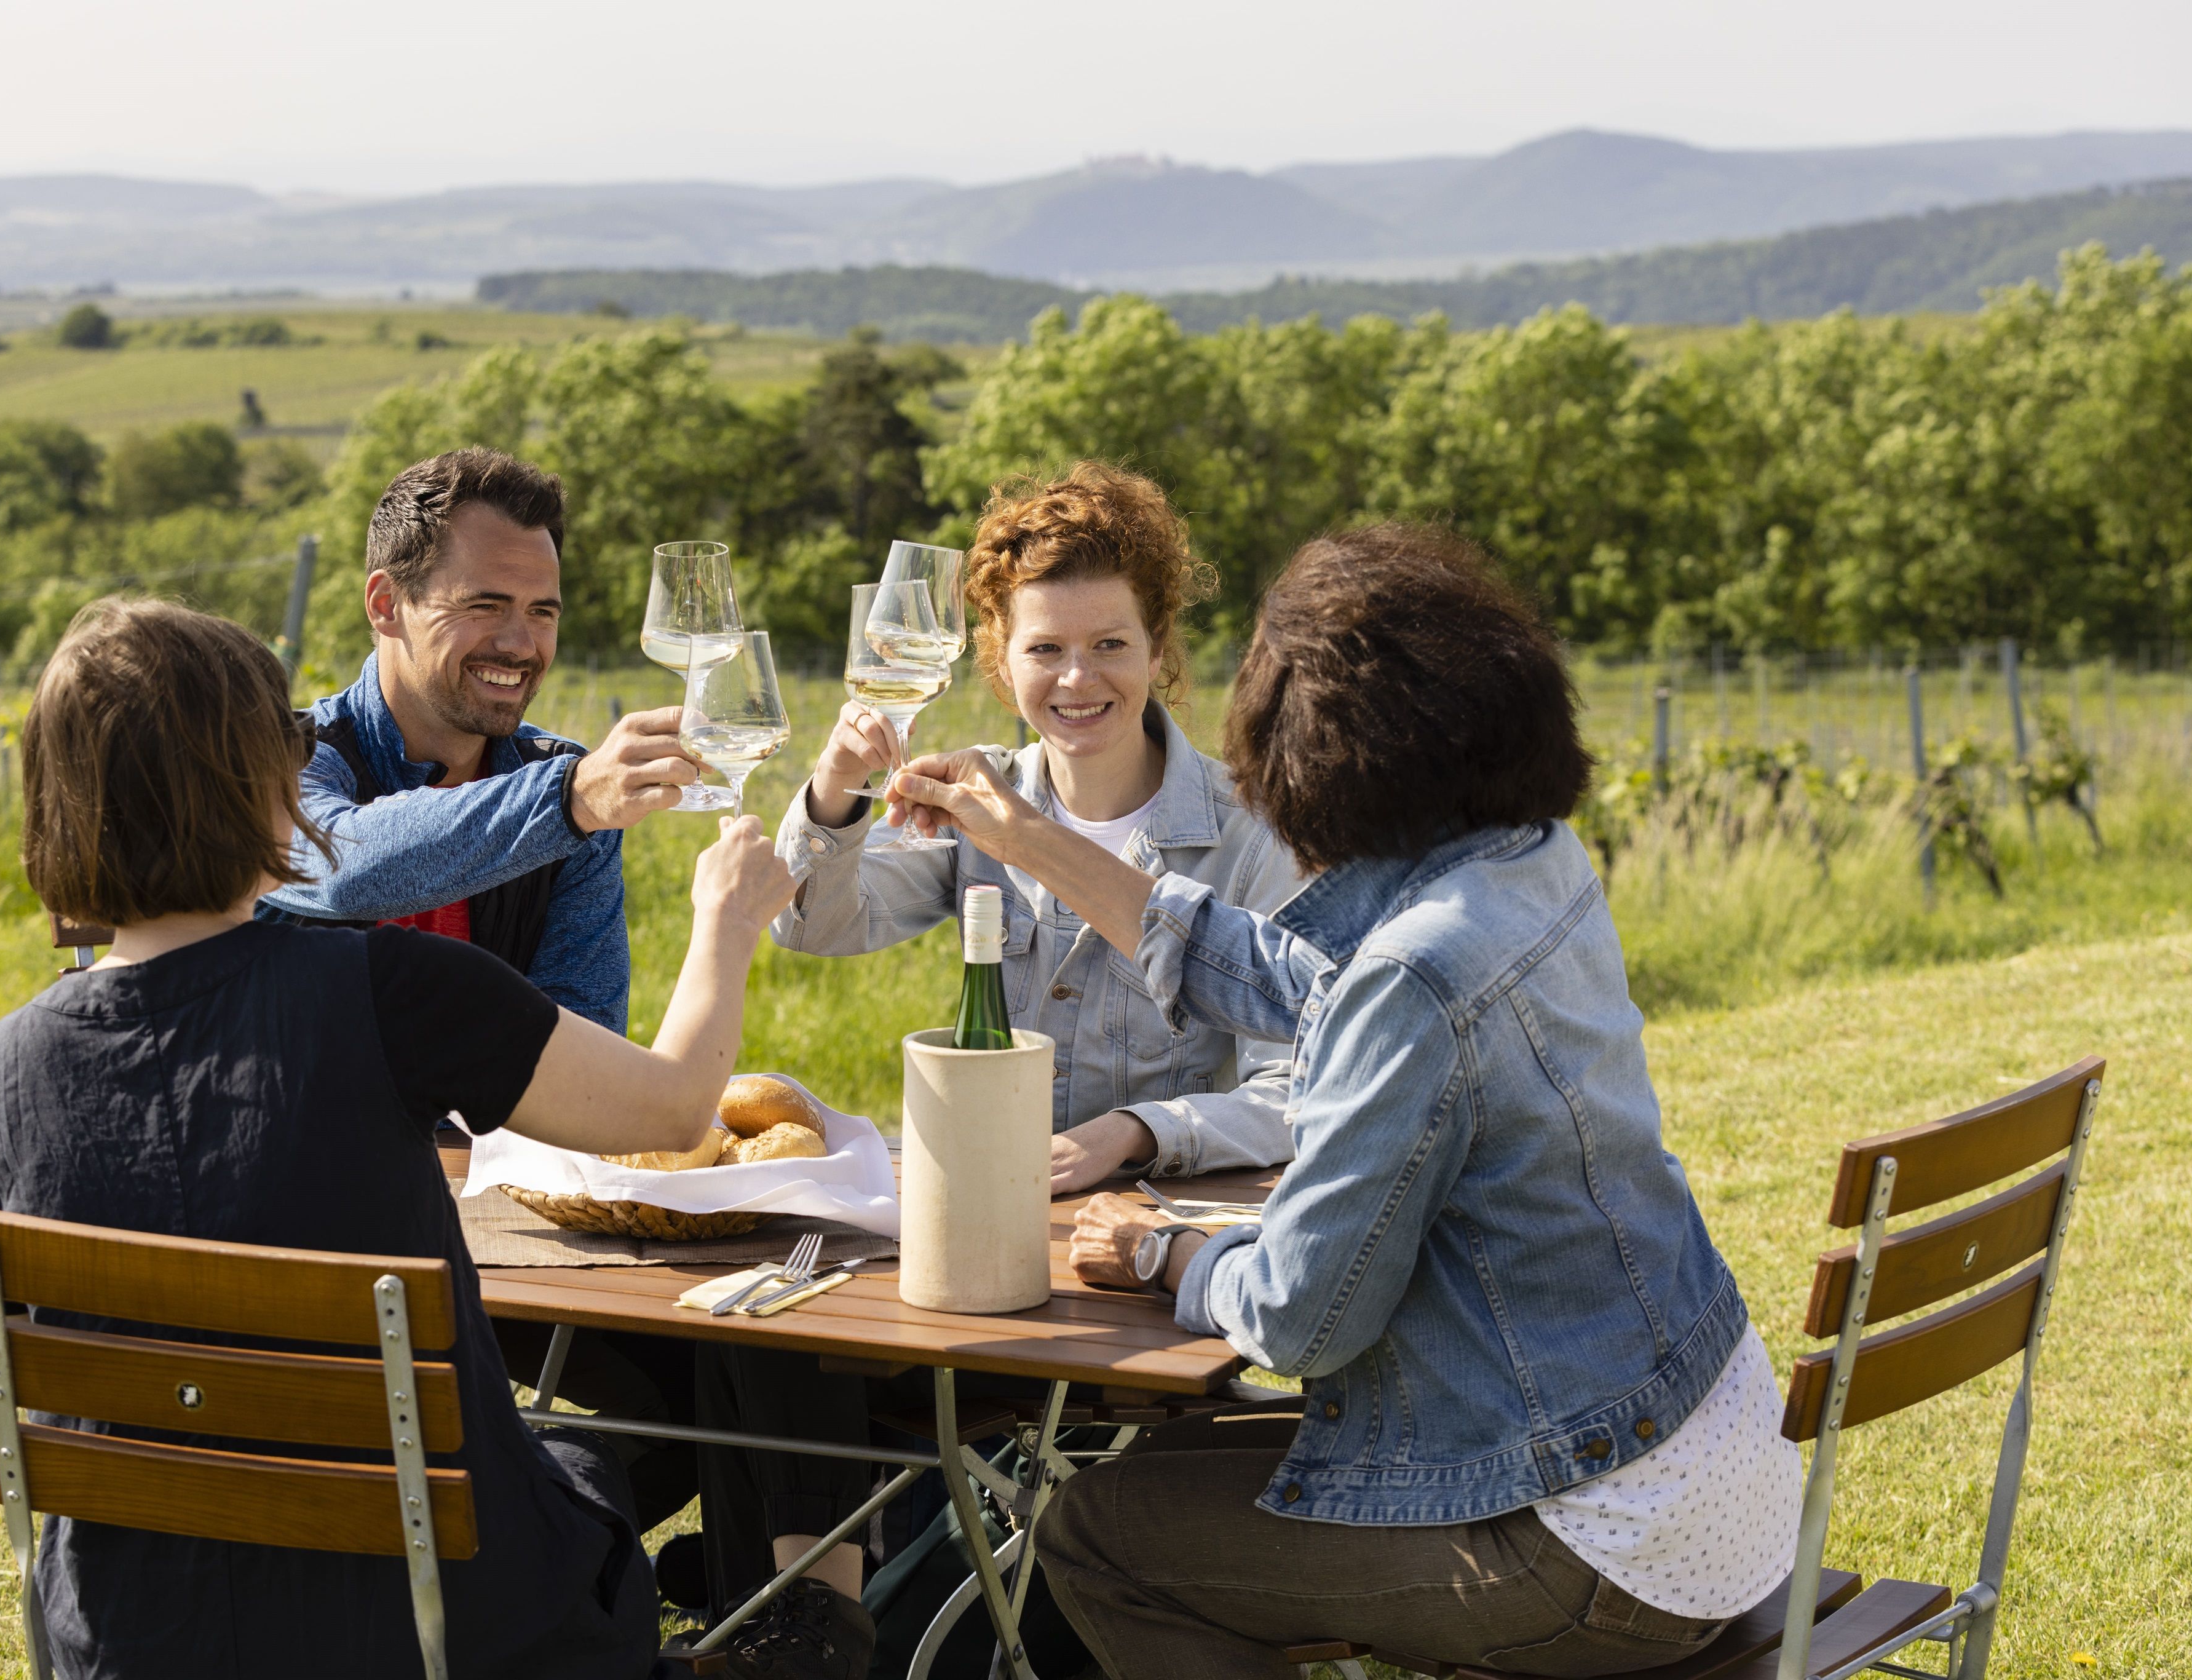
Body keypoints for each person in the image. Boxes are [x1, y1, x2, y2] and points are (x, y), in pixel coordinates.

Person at [888, 525, 1805, 1680]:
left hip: (1594, 1548)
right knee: (1178, 1469)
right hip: (1714, 1476)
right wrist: (1031, 838)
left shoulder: (1418, 977)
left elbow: (1304, 1320)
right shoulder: (1528, 863)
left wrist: (1167, 1254)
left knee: (1101, 1532)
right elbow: (1291, 978)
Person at [0, 597, 800, 1680]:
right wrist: (725, 922)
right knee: (583, 1472)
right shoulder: (389, 991)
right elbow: (674, 1109)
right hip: (432, 1626)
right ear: (263, 783)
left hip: (124, 1636)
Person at [678, 464, 1305, 1676]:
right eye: (1045, 649)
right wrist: (836, 791)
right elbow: (819, 921)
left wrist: (1133, 1132)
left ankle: (865, 1592)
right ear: (996, 659)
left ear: (1161, 648)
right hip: (974, 1220)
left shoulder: (1245, 830)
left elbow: (1296, 1080)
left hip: (1131, 1236)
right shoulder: (973, 799)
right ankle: (811, 1614)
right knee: (773, 1292)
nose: (1078, 680)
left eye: (1109, 643)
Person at [256, 446, 707, 1528]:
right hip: (323, 1242)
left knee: (741, 1365)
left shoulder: (564, 797)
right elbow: (345, 862)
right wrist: (572, 801)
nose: (523, 643)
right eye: (487, 605)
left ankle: (788, 1618)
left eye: (544, 610)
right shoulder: (288, 755)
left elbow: (582, 1041)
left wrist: (574, 807)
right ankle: (508, 1556)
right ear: (387, 604)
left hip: (498, 1233)